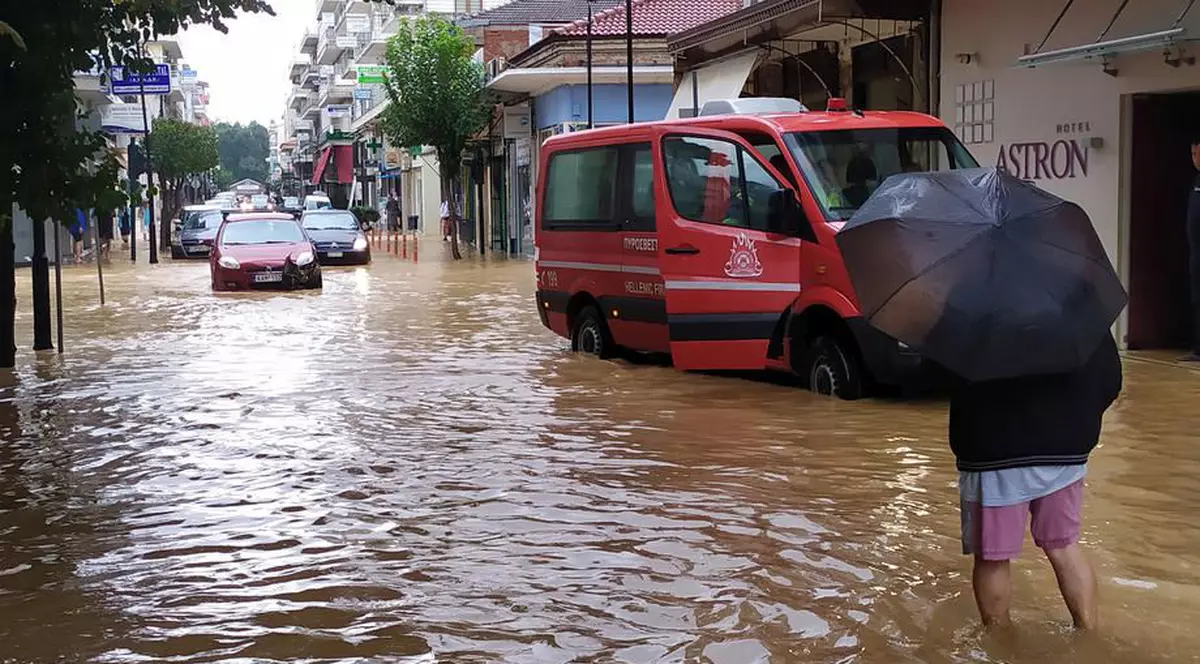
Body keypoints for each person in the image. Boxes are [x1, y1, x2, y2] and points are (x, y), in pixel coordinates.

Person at [951, 333, 1122, 629]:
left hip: (994, 452)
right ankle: (1089, 638)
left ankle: (999, 650)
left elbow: (941, 370)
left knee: (993, 557)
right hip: (1066, 451)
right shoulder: (1074, 301)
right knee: (1065, 546)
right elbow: (1109, 379)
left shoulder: (971, 303)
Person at [1183, 136, 1200, 361]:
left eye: (1198, 153)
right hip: (1196, 254)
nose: (1195, 158)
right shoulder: (1196, 179)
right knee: (1197, 299)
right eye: (1193, 154)